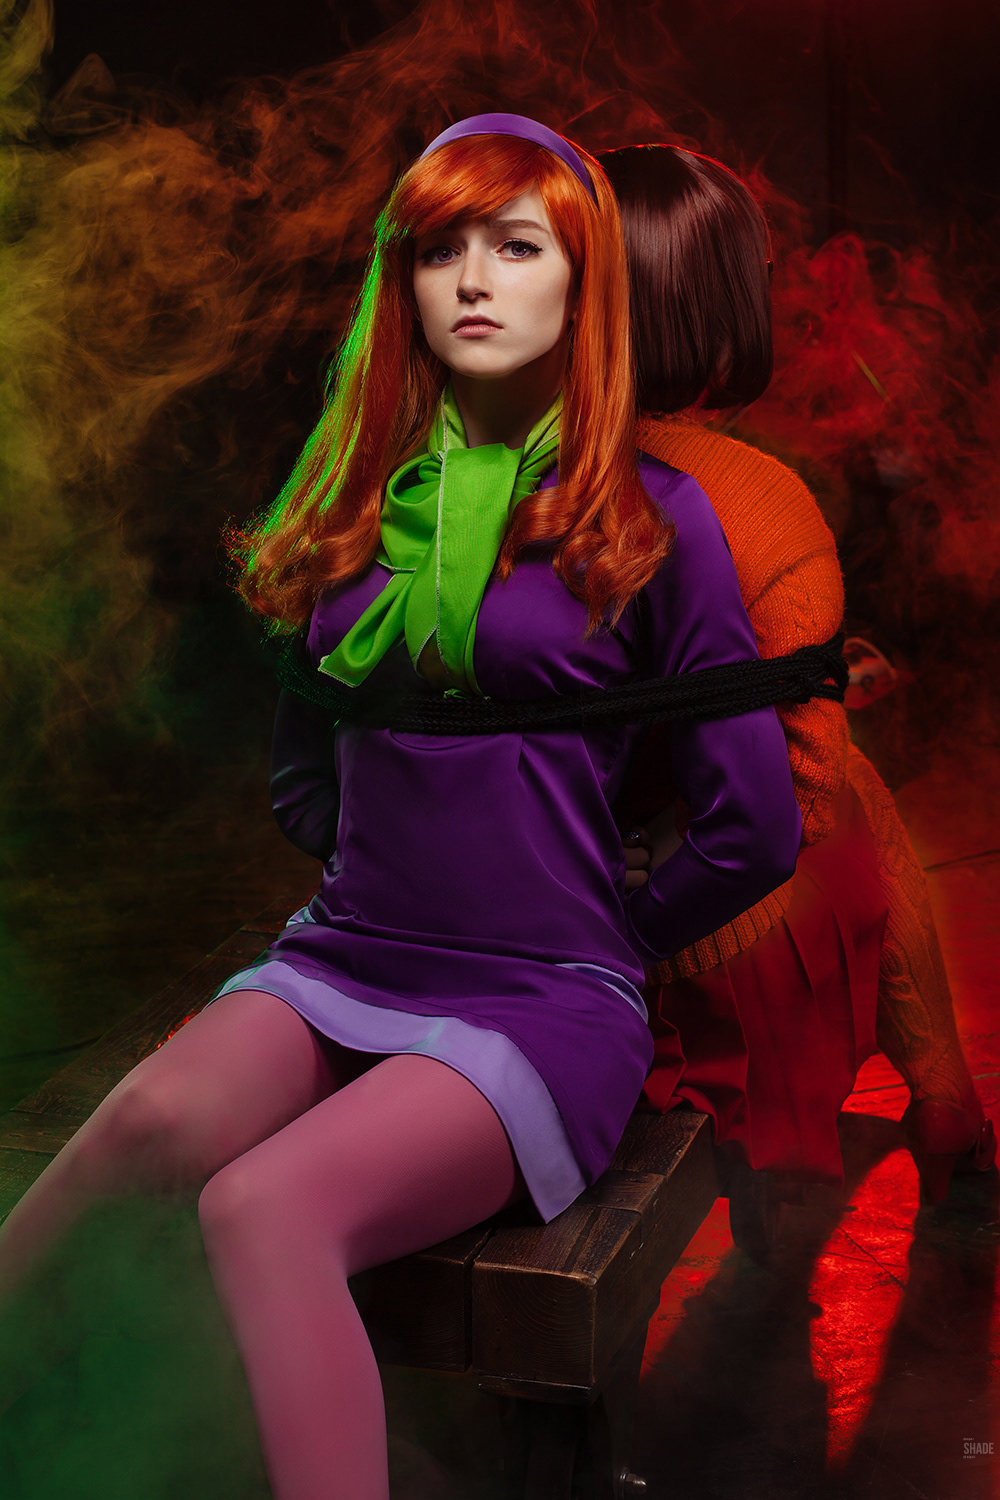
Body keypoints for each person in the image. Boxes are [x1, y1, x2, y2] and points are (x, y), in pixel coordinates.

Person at [0, 118, 801, 1500]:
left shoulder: (652, 517)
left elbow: (754, 827)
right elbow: (302, 773)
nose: (474, 279)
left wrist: (606, 930)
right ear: (404, 286)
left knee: (262, 1208)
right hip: (348, 957)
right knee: (136, 1133)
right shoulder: (356, 497)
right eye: (440, 251)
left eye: (517, 247)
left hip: (540, 999)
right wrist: (391, 870)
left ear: (583, 286)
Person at [598, 142, 994, 1205]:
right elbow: (798, 810)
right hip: (678, 943)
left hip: (519, 889)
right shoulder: (758, 500)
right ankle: (941, 1099)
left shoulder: (495, 467)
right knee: (849, 789)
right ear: (727, 304)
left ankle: (937, 1101)